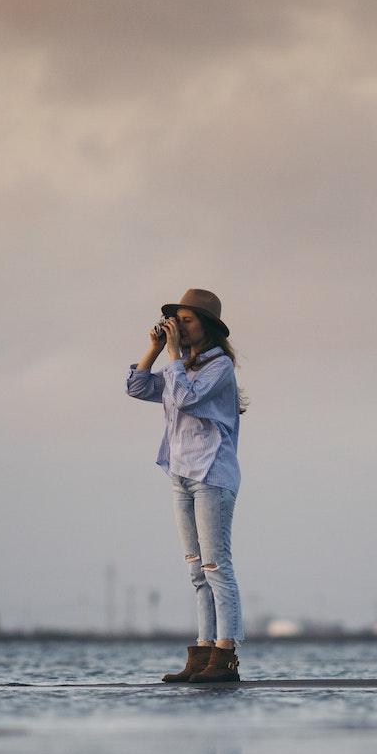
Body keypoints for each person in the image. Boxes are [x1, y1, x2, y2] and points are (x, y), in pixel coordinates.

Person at [126, 288, 245, 684]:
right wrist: (156, 348)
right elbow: (138, 387)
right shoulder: (183, 364)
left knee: (216, 567)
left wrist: (175, 356)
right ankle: (201, 655)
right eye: (175, 320)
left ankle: (225, 656)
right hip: (181, 475)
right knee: (196, 571)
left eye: (186, 320)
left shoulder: (218, 367)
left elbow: (185, 398)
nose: (178, 326)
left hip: (211, 474)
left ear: (207, 326)